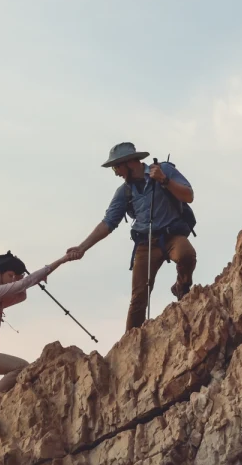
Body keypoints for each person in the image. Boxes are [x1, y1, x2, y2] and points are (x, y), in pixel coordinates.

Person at [67, 142, 196, 331]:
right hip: (145, 243)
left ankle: (181, 285)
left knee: (186, 254)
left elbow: (189, 195)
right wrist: (82, 247)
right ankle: (131, 341)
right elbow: (107, 223)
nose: (116, 172)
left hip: (171, 235)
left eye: (116, 166)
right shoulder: (124, 191)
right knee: (138, 298)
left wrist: (164, 181)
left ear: (130, 163)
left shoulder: (164, 170)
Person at [0, 249, 75, 426]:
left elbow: (22, 294)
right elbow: (25, 285)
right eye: (11, 275)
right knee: (21, 367)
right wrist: (61, 261)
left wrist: (22, 280)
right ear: (0, 274)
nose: (14, 279)